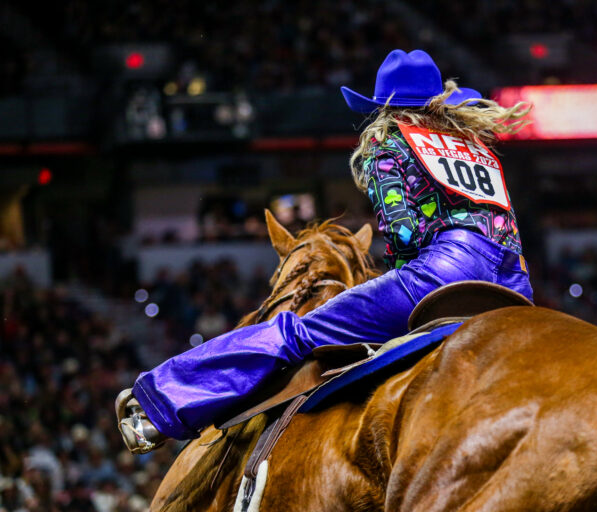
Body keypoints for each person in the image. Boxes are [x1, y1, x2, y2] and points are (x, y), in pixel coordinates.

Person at [118, 49, 533, 452]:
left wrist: (397, 287)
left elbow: (404, 232)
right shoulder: (475, 146)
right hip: (514, 281)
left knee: (295, 333)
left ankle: (160, 404)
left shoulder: (389, 143)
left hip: (445, 270)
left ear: (383, 107)